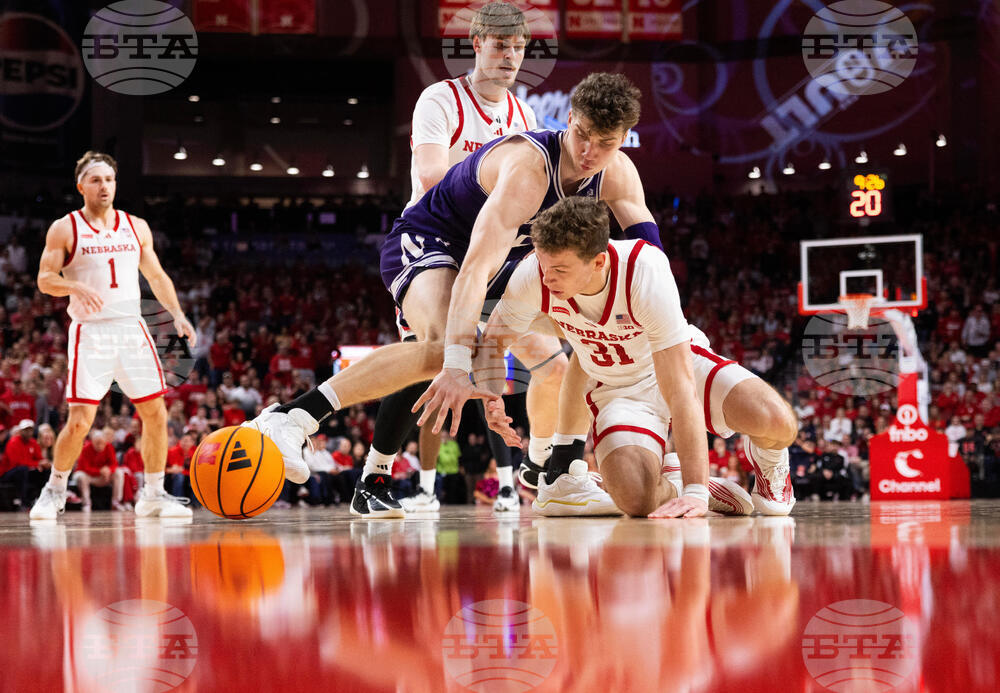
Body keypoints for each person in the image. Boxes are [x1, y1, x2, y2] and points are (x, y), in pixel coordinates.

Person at [243, 72, 664, 518]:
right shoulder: (530, 167)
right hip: (433, 240)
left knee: (582, 341)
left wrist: (665, 331)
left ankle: (553, 471)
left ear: (623, 140)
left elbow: (649, 264)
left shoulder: (618, 174)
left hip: (500, 262)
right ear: (569, 120)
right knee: (441, 350)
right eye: (581, 135)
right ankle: (292, 417)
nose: (588, 152)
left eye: (605, 143)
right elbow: (474, 271)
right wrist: (462, 366)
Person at [477, 197, 798, 517]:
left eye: (559, 269)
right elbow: (493, 339)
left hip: (674, 364)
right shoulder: (535, 275)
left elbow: (681, 390)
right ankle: (672, 483)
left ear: (599, 262)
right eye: (544, 266)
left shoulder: (645, 272)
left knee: (777, 422)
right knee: (634, 498)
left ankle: (770, 467)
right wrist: (492, 398)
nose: (547, 278)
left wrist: (695, 492)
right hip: (617, 390)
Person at [400, 1, 559, 516]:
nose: (511, 57)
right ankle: (419, 483)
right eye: (500, 46)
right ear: (476, 45)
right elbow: (430, 175)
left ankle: (535, 472)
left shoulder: (523, 114)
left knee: (534, 360)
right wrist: (496, 186)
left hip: (492, 253)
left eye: (519, 48)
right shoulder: (440, 98)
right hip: (436, 243)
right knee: (432, 365)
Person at [30, 151, 196, 520]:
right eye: (96, 180)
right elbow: (44, 279)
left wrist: (178, 315)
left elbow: (156, 276)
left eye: (109, 179)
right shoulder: (65, 228)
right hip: (91, 333)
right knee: (79, 422)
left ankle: (153, 494)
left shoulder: (135, 226)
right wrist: (73, 285)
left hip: (131, 329)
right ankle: (55, 490)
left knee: (155, 413)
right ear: (81, 186)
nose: (104, 186)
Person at [72, 429, 127, 511]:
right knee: (80, 476)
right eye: (97, 443)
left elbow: (114, 464)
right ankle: (86, 503)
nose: (100, 445)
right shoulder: (86, 448)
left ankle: (116, 502)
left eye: (102, 443)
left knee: (119, 472)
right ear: (92, 442)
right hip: (90, 476)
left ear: (105, 441)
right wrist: (100, 471)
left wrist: (108, 470)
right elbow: (84, 468)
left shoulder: (109, 446)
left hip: (104, 476)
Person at [2, 419, 43, 509]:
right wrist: (37, 464)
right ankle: (24, 502)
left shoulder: (33, 442)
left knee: (45, 470)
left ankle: (42, 500)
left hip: (27, 471)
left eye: (30, 430)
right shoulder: (13, 442)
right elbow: (16, 462)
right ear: (21, 431)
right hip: (8, 473)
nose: (28, 432)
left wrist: (43, 464)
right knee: (22, 469)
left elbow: (40, 459)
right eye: (26, 430)